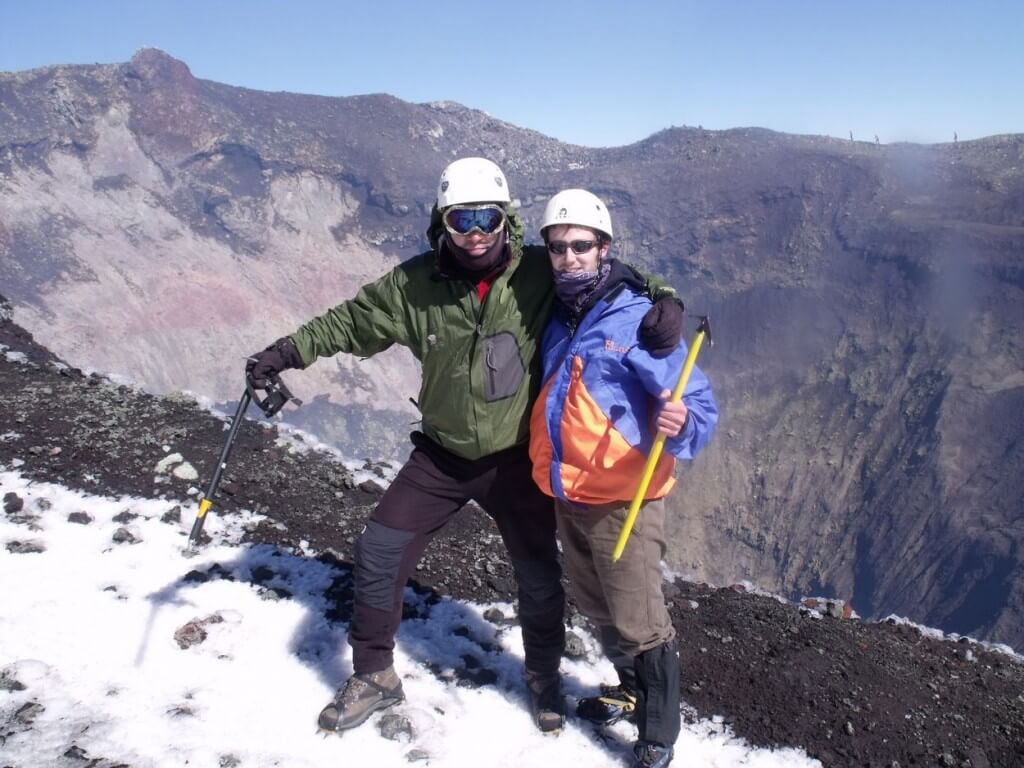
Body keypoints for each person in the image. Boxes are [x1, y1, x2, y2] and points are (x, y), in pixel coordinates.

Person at [244, 158, 685, 735]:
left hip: (516, 459)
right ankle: (374, 675)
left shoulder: (537, 269)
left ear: (506, 219)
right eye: (461, 219)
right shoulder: (414, 285)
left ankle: (544, 679)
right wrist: (283, 353)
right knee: (379, 549)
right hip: (442, 456)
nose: (476, 232)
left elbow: (607, 272)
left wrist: (665, 297)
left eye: (487, 218)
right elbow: (348, 322)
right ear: (443, 221)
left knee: (538, 576)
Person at [528, 189, 718, 767]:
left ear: (603, 248)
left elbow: (697, 404)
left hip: (623, 499)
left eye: (581, 245)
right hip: (570, 492)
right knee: (596, 603)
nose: (569, 256)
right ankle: (634, 691)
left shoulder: (639, 321)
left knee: (639, 618)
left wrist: (682, 423)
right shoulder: (557, 312)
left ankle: (659, 734)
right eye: (558, 247)